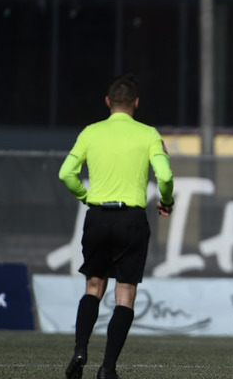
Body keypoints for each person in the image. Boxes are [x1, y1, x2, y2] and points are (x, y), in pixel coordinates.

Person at [58, 74, 174, 379]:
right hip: (131, 220)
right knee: (125, 295)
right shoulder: (148, 134)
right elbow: (164, 176)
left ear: (108, 102)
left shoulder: (91, 132)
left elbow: (66, 173)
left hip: (97, 216)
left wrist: (86, 197)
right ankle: (107, 368)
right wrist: (166, 200)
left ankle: (80, 349)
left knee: (93, 287)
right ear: (136, 103)